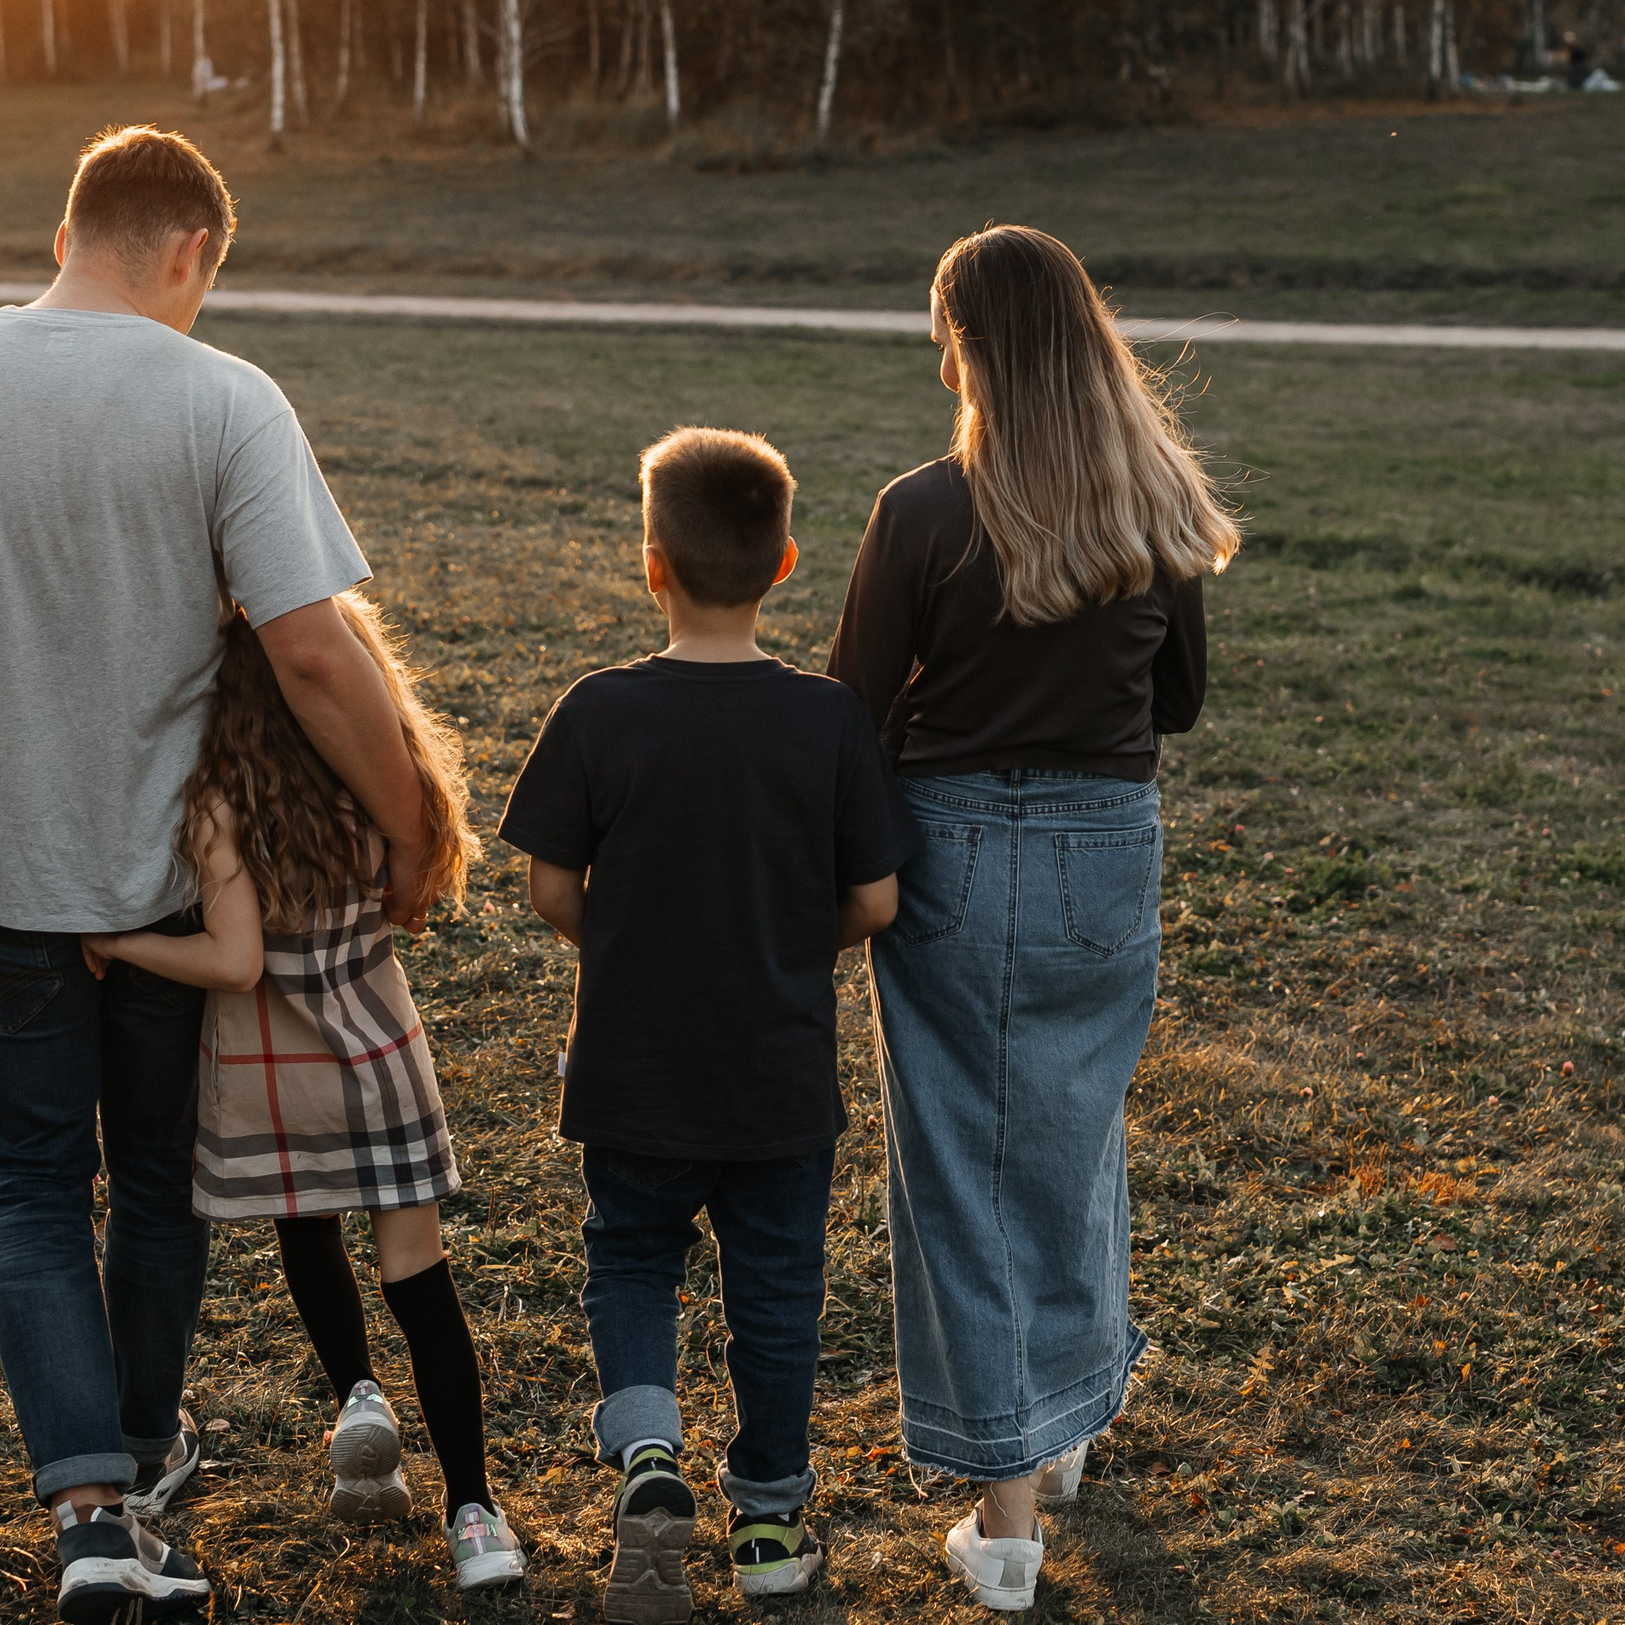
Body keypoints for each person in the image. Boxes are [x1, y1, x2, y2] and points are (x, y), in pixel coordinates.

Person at [0, 125, 433, 1624]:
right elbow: (310, 650)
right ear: (190, 250)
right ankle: (142, 1460)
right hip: (164, 874)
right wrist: (409, 827)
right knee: (154, 1181)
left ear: (71, 225)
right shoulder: (223, 398)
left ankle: (90, 1512)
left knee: (29, 1187)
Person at [827, 226, 1237, 1613]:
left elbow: (851, 710)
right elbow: (1178, 697)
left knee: (961, 1169)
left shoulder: (925, 509)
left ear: (970, 345)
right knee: (1070, 1134)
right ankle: (1063, 1427)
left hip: (959, 850)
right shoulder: (1156, 495)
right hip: (1107, 845)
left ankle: (1003, 1528)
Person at [500, 428, 913, 1623]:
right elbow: (877, 901)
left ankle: (646, 1461)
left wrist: (633, 947)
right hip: (776, 1073)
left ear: (650, 567)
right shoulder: (829, 722)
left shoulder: (600, 711)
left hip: (636, 1063)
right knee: (776, 1286)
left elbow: (548, 884)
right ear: (786, 564)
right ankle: (773, 1527)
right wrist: (784, 943)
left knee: (630, 1252)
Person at [78, 595, 525, 1591]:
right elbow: (414, 898)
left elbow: (234, 963)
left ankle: (358, 1392)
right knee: (419, 1276)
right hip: (380, 1054)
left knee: (306, 1226)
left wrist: (119, 943)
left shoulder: (219, 803)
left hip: (276, 1076)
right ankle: (476, 1517)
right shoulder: (375, 786)